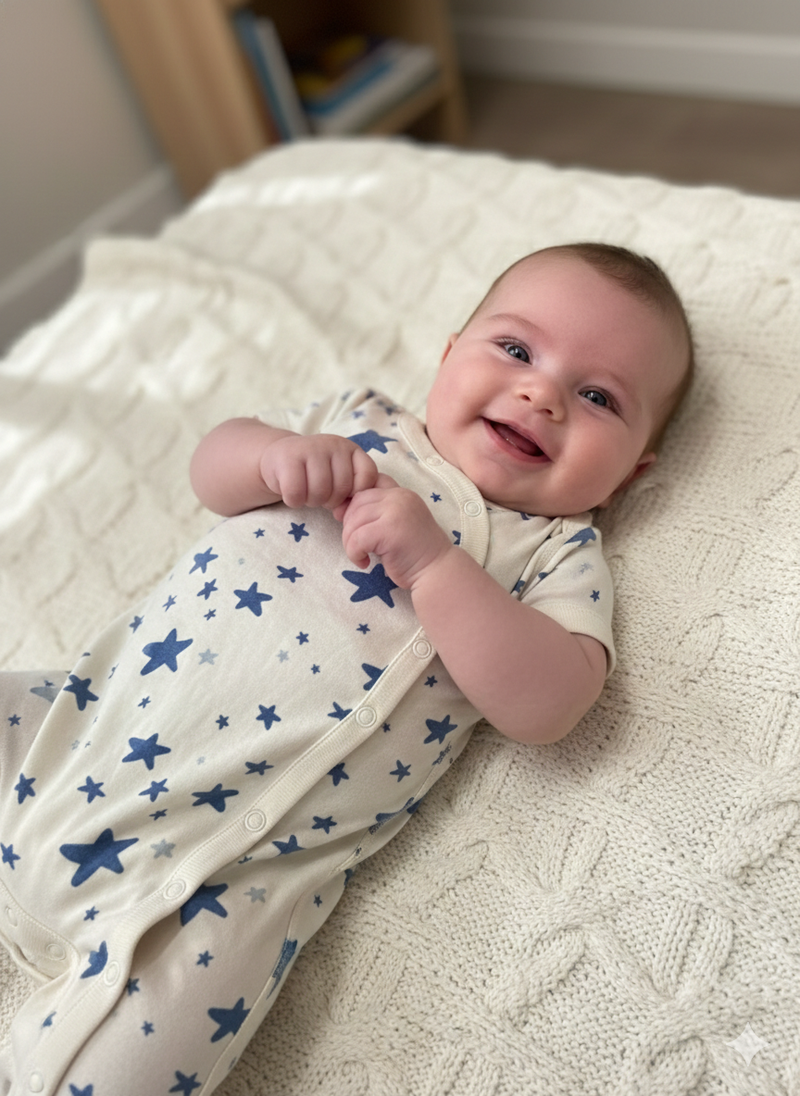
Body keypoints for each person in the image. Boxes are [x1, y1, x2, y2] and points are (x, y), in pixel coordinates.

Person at [0, 243, 693, 1095]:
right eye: (515, 350)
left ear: (633, 473)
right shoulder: (360, 423)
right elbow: (213, 468)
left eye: (598, 397)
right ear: (448, 355)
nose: (541, 393)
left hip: (216, 886)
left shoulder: (557, 554)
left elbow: (550, 704)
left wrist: (436, 568)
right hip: (78, 726)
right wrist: (268, 459)